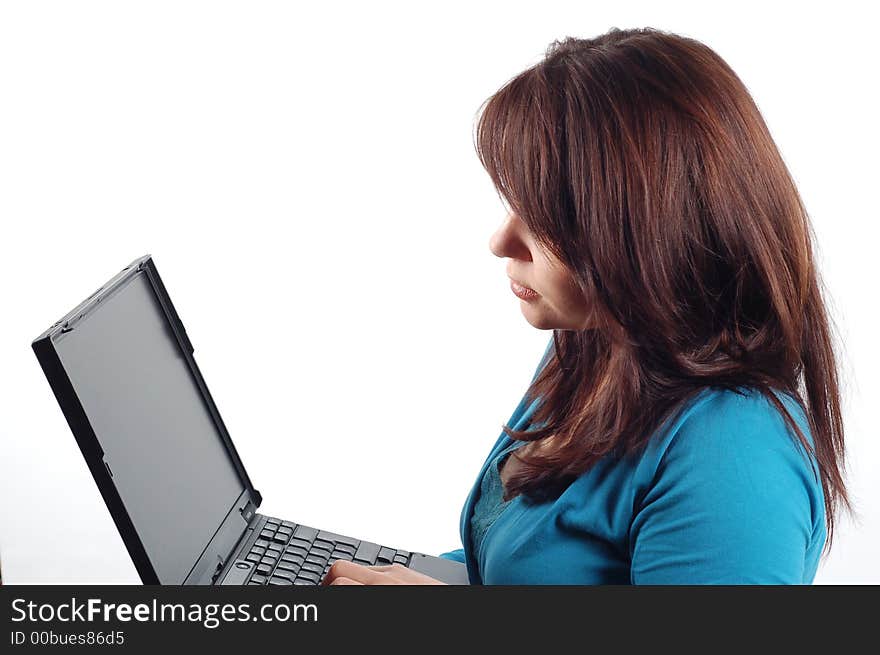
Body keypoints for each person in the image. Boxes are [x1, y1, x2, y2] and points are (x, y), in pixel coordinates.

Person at [321, 26, 850, 585]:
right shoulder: (595, 345)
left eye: (545, 218)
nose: (502, 242)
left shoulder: (735, 459)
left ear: (649, 230)